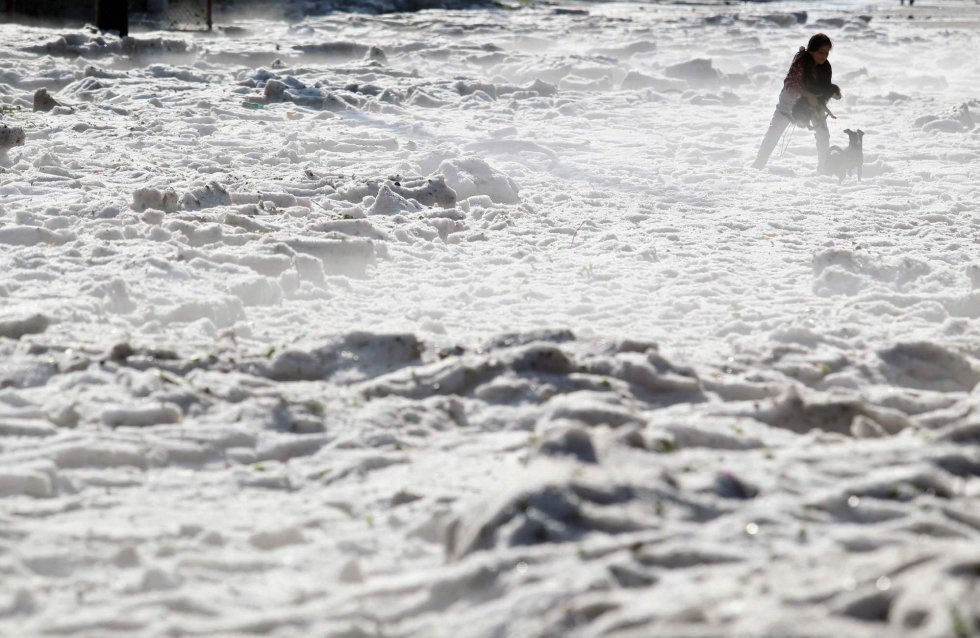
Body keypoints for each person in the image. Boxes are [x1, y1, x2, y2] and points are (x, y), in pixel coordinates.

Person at [752, 33, 842, 172]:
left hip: (812, 104)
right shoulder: (801, 62)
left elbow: (823, 89)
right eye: (820, 52)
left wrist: (832, 92)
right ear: (811, 50)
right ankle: (757, 166)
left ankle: (823, 170)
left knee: (823, 133)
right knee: (774, 132)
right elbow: (790, 82)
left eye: (826, 53)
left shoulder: (825, 67)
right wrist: (807, 94)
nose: (824, 56)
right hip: (789, 103)